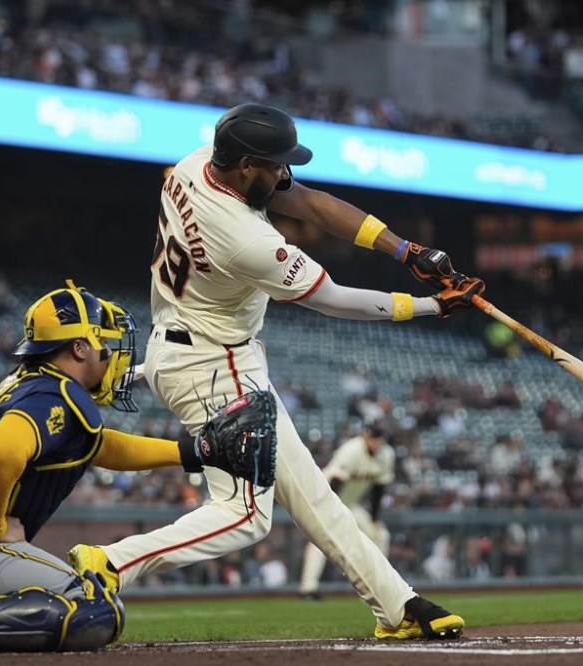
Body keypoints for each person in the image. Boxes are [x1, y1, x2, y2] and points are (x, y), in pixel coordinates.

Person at [69, 102, 483, 640]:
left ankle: (397, 605)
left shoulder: (196, 164)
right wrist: (433, 308)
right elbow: (333, 299)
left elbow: (308, 202)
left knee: (314, 495)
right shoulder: (245, 238)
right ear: (245, 164)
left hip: (186, 345)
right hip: (217, 366)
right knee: (246, 516)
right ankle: (109, 563)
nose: (286, 173)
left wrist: (407, 250)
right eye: (276, 164)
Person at [0, 282, 234, 656]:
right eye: (102, 345)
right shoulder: (60, 392)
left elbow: (102, 445)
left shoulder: (28, 384)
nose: (110, 356)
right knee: (94, 607)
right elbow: (1, 451)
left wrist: (191, 452)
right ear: (79, 348)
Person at [298, 420, 395, 600]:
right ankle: (308, 588)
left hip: (350, 504)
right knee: (320, 541)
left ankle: (380, 586)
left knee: (380, 534)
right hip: (324, 500)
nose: (377, 441)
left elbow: (379, 489)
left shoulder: (387, 454)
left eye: (380, 437)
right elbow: (335, 482)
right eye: (374, 436)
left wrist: (375, 518)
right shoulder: (352, 450)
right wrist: (330, 515)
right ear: (364, 435)